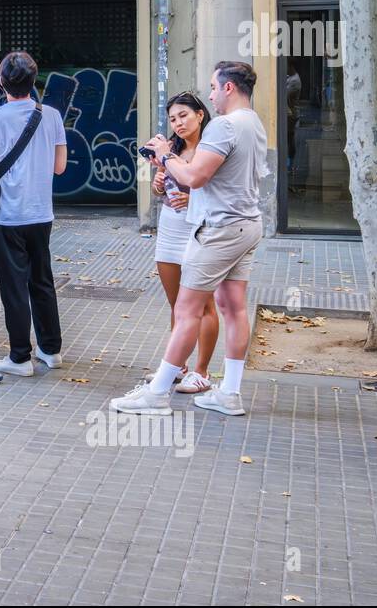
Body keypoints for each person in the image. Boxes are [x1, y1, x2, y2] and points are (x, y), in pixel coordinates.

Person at [111, 60, 268, 417]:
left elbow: (195, 177)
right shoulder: (253, 123)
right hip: (247, 224)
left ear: (229, 88)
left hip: (218, 229)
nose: (211, 95)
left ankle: (158, 393)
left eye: (213, 88)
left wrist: (166, 156)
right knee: (233, 307)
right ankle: (229, 393)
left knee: (187, 310)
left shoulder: (224, 127)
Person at [0, 52, 68, 378]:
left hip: (8, 216)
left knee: (13, 289)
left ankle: (20, 357)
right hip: (42, 214)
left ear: (2, 82)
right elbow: (60, 166)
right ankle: (51, 350)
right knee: (42, 281)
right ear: (33, 81)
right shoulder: (50, 115)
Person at [151, 92, 220, 392]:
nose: (178, 123)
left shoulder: (213, 148)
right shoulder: (171, 150)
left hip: (200, 229)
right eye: (173, 119)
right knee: (177, 304)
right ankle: (178, 366)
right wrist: (157, 185)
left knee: (203, 305)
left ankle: (202, 372)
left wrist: (191, 198)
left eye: (184, 115)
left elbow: (220, 193)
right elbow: (163, 188)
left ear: (200, 114)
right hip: (170, 226)